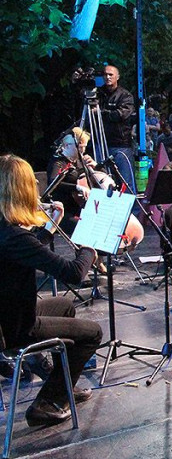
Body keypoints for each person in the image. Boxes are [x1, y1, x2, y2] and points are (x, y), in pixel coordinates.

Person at [0, 155, 101, 426]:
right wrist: (90, 247)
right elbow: (74, 274)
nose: (35, 182)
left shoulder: (7, 232)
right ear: (21, 189)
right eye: (30, 181)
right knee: (93, 333)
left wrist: (51, 226)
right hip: (18, 326)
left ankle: (61, 384)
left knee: (66, 307)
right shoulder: (14, 237)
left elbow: (31, 251)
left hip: (10, 314)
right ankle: (48, 402)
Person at [96, 65, 137, 194]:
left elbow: (122, 114)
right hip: (101, 144)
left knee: (126, 181)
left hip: (121, 144)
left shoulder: (125, 96)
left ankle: (132, 211)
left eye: (110, 75)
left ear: (117, 77)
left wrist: (101, 113)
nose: (107, 77)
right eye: (105, 74)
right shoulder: (98, 93)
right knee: (100, 180)